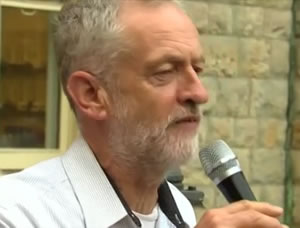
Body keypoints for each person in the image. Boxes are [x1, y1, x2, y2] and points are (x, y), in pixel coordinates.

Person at [0, 0, 288, 227]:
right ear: (91, 95)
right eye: (165, 72)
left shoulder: (180, 210)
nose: (199, 94)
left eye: (197, 70)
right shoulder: (17, 213)